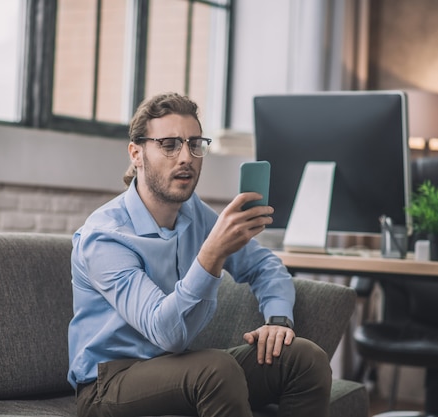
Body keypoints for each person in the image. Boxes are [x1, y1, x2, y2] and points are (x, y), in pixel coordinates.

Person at [68, 92, 332, 417]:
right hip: (107, 385)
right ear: (137, 153)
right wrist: (211, 255)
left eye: (195, 144)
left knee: (303, 358)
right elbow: (166, 333)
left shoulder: (194, 214)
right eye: (169, 144)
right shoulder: (105, 235)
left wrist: (277, 320)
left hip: (177, 370)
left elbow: (264, 265)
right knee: (214, 368)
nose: (186, 157)